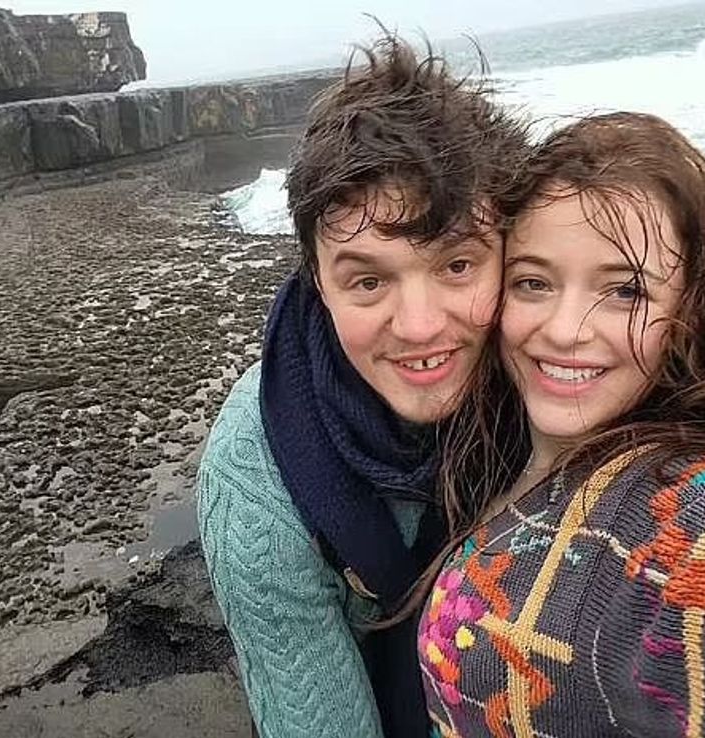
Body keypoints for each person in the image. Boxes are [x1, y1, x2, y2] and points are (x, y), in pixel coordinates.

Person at [418, 111, 705, 738]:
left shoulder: (666, 511)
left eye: (624, 292)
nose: (567, 329)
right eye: (534, 282)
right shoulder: (488, 439)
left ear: (691, 310)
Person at [196, 33, 529, 738]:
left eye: (457, 266)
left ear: (510, 251)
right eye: (368, 279)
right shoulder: (257, 473)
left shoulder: (558, 383)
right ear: (316, 281)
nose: (417, 326)